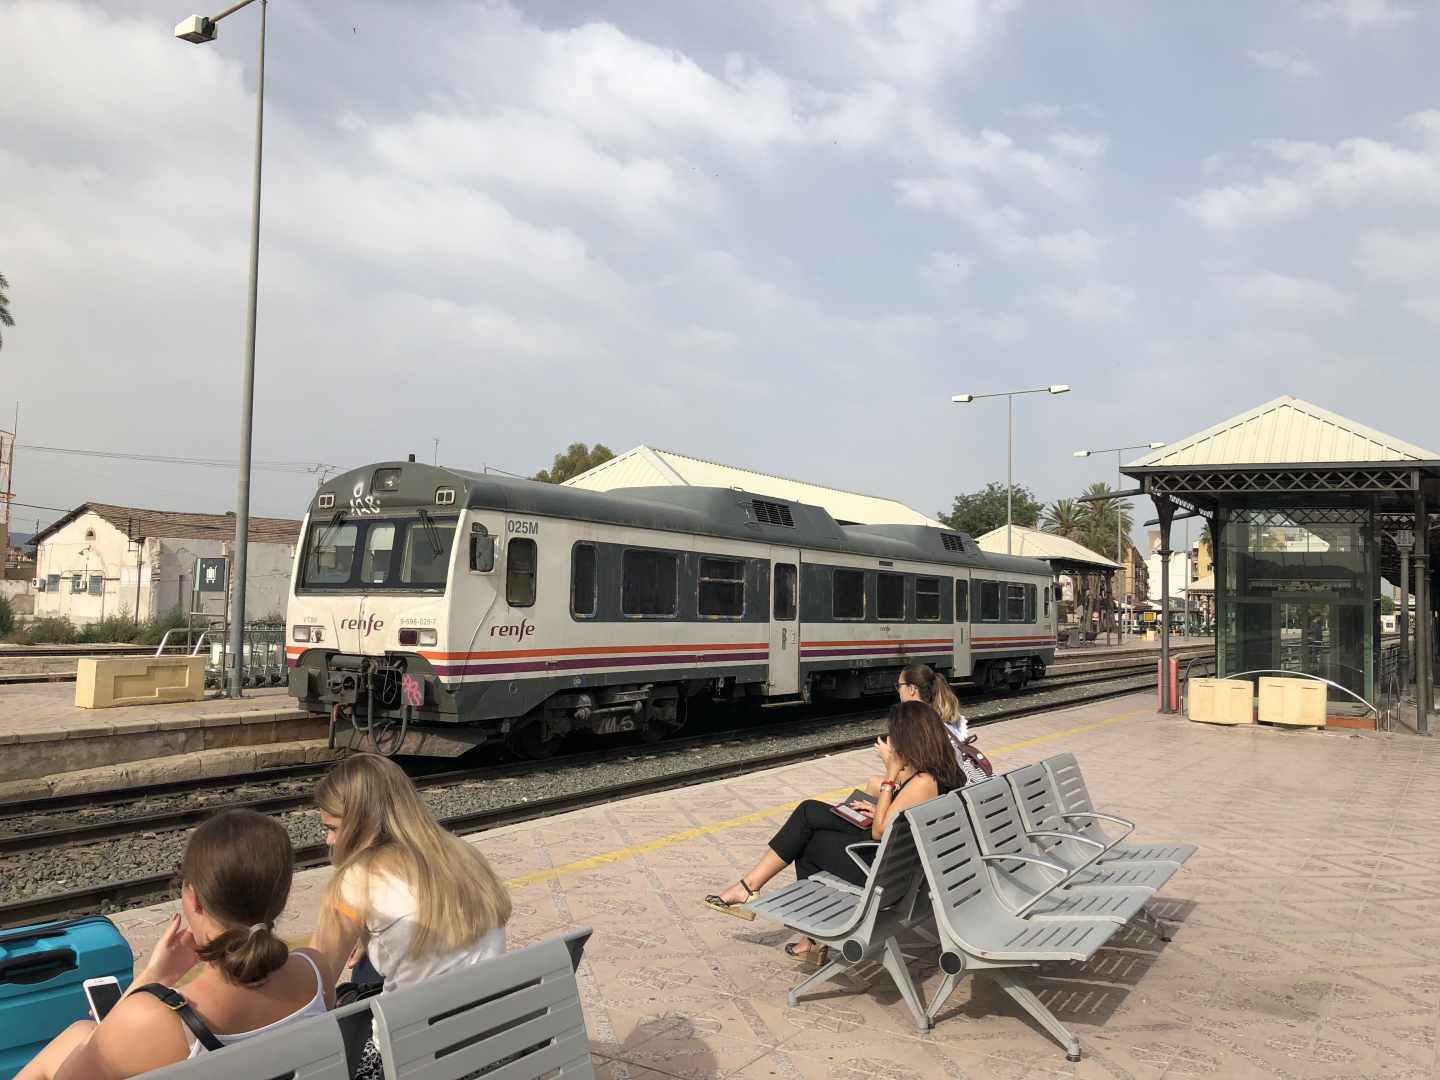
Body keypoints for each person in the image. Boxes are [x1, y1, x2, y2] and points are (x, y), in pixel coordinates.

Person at [18, 810, 330, 1080]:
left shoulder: (156, 1018)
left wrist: (155, 977)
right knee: (80, 1032)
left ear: (194, 898)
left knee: (72, 1042)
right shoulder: (316, 970)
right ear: (284, 894)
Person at [704, 701, 962, 963]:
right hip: (901, 865)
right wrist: (883, 810)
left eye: (895, 735)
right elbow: (901, 819)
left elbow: (879, 832)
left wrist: (890, 774)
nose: (892, 743)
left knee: (806, 843)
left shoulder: (922, 782)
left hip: (886, 877)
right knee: (809, 812)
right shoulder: (943, 773)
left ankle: (765, 900)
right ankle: (779, 912)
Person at [310, 754, 512, 1080]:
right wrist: (370, 935)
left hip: (411, 1061)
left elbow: (314, 988)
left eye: (332, 828)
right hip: (487, 1051)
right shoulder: (461, 856)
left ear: (361, 824)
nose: (329, 840)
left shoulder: (357, 879)